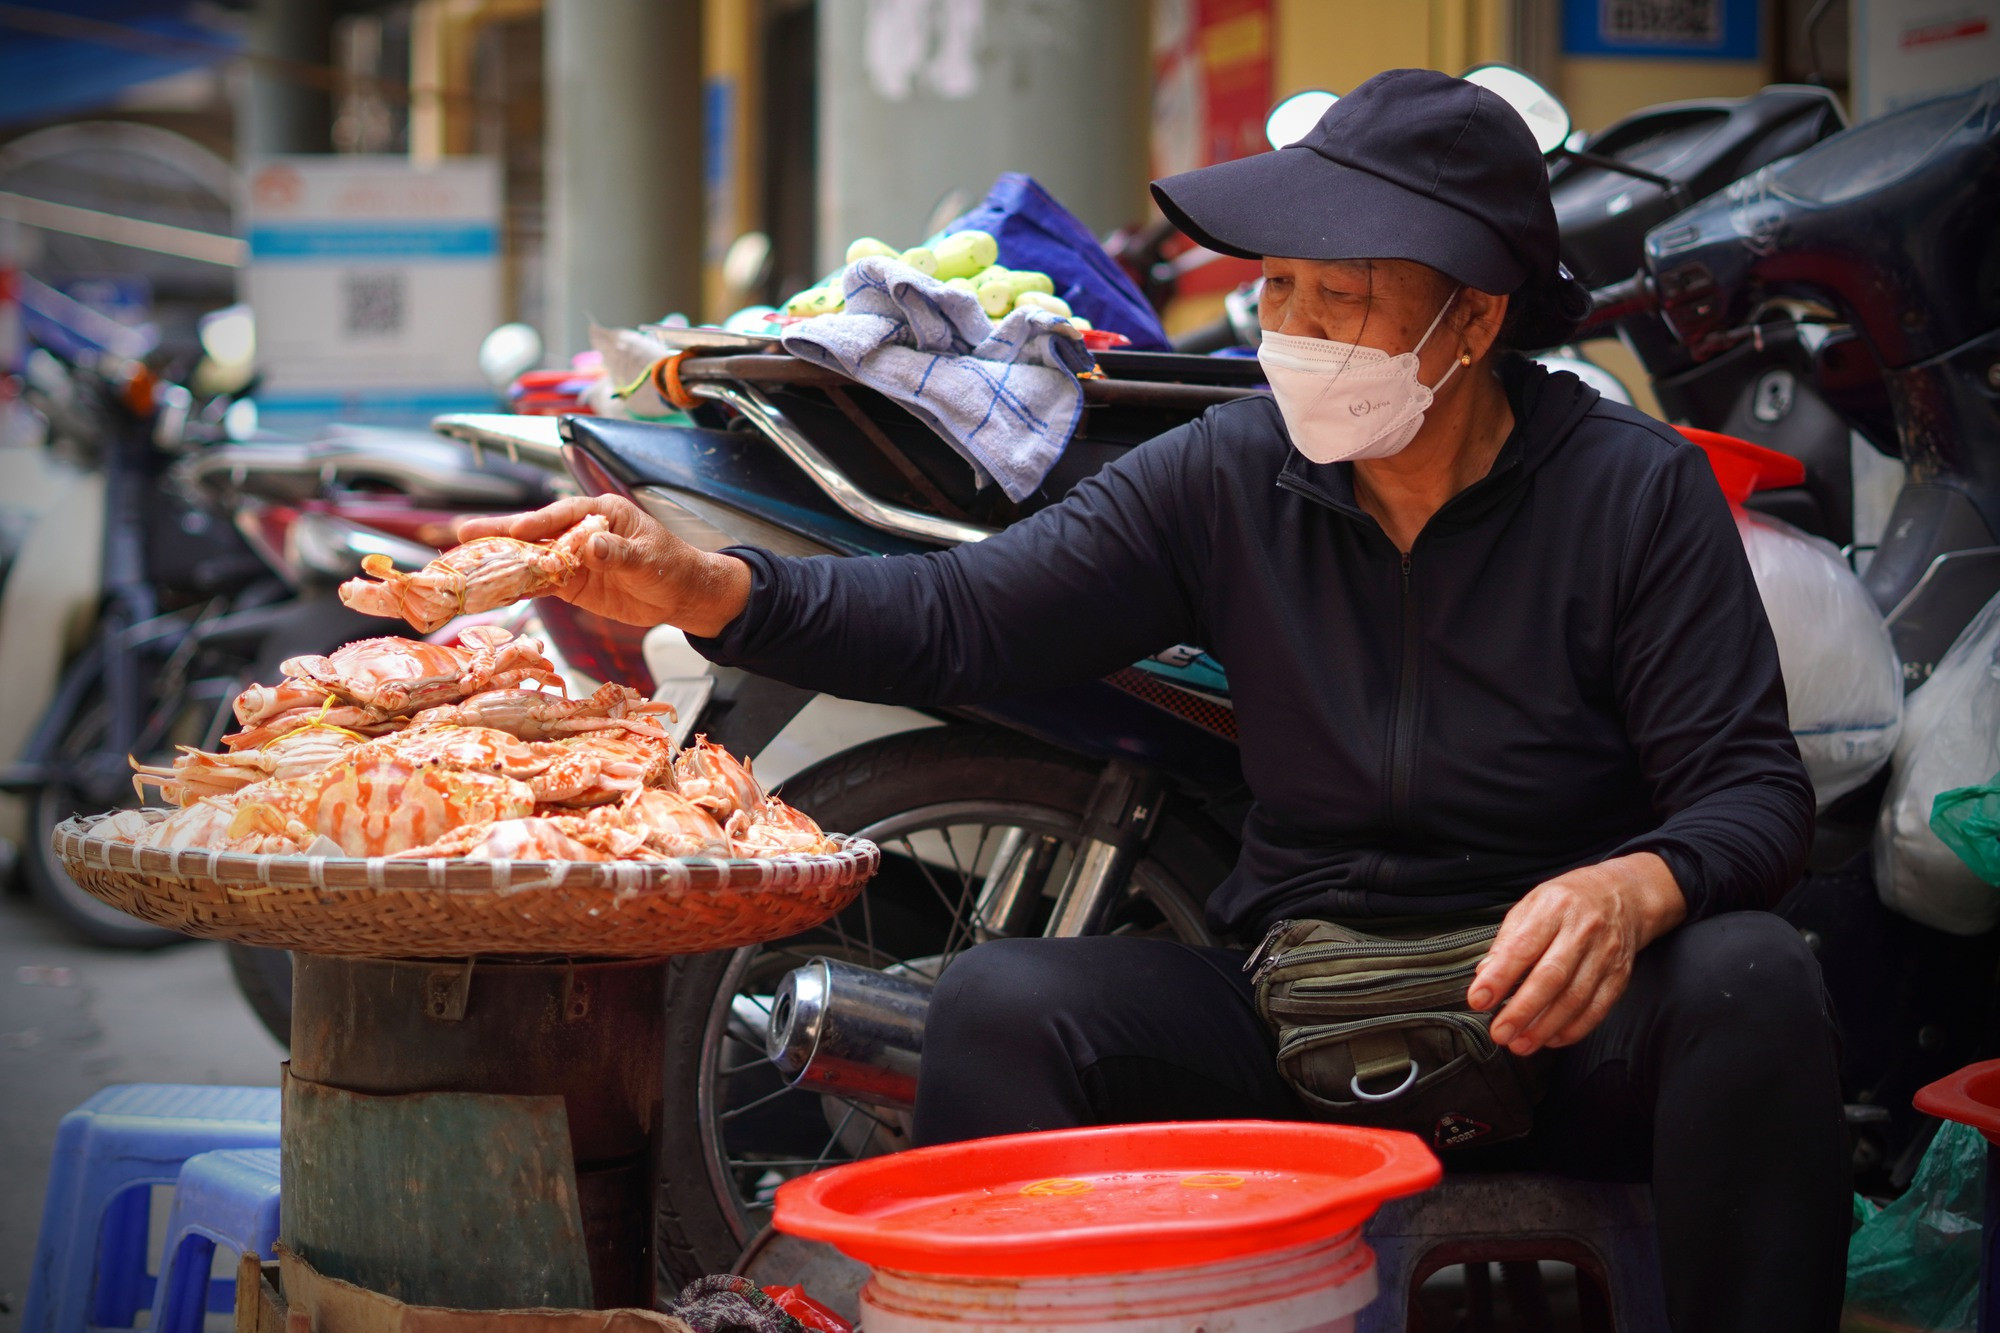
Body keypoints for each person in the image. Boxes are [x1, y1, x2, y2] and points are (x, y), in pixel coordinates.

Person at [464, 69, 1846, 1332]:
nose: (1291, 330)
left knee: (1754, 976)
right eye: (1280, 290)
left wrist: (1634, 888)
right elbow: (969, 618)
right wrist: (708, 587)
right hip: (1299, 1004)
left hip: (1564, 1023)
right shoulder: (1231, 473)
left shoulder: (1634, 492)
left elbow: (1754, 794)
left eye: (1336, 298)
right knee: (999, 1006)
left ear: (1473, 318)